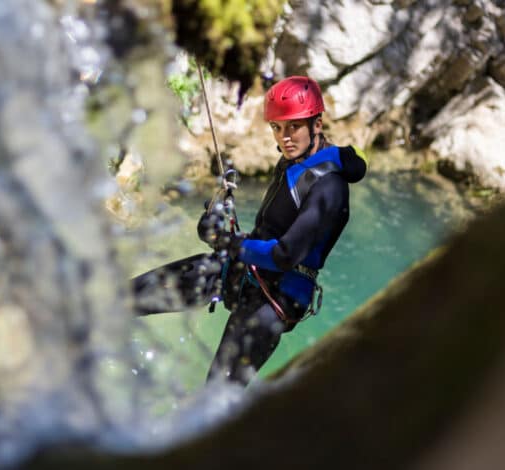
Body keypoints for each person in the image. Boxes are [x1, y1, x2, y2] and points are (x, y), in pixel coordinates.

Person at [132, 76, 368, 385]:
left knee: (216, 395)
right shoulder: (293, 161)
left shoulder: (330, 187)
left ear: (317, 124)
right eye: (277, 128)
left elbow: (285, 254)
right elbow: (268, 232)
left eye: (294, 126)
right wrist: (218, 224)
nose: (284, 137)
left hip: (276, 300)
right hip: (247, 270)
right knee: (132, 296)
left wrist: (229, 243)